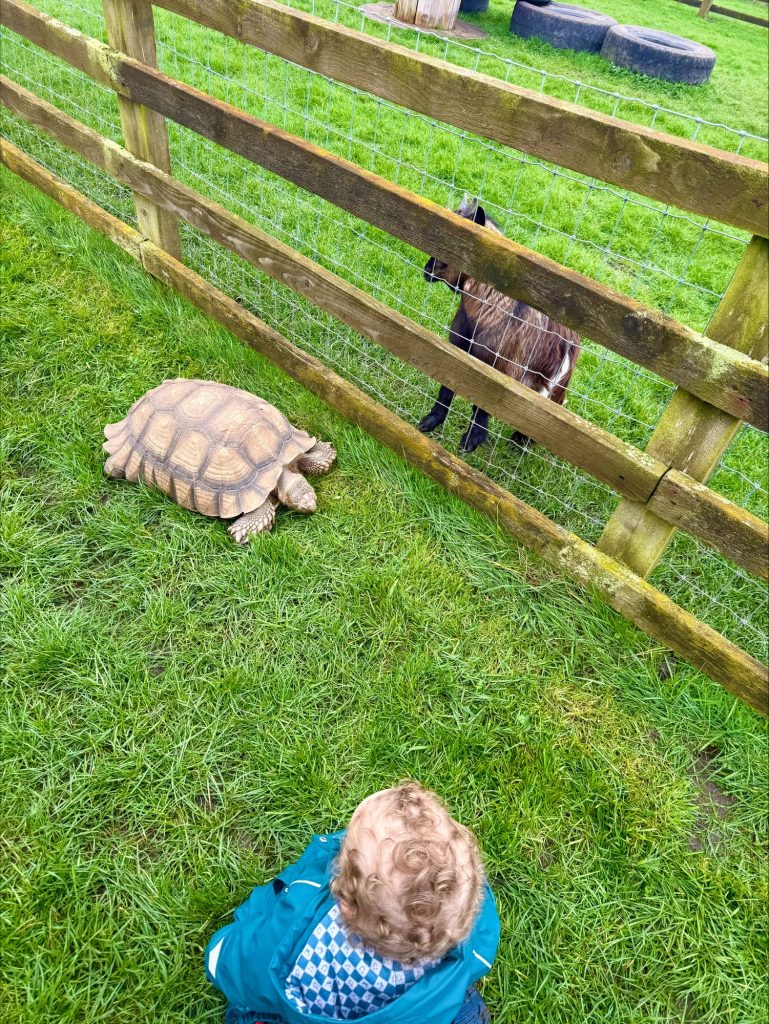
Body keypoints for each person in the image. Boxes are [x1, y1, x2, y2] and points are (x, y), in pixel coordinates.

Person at [205, 782, 499, 1023]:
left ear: (345, 902)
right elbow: (481, 956)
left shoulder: (298, 938)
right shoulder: (468, 920)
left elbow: (221, 960)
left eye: (347, 846)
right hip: (427, 1007)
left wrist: (246, 922)